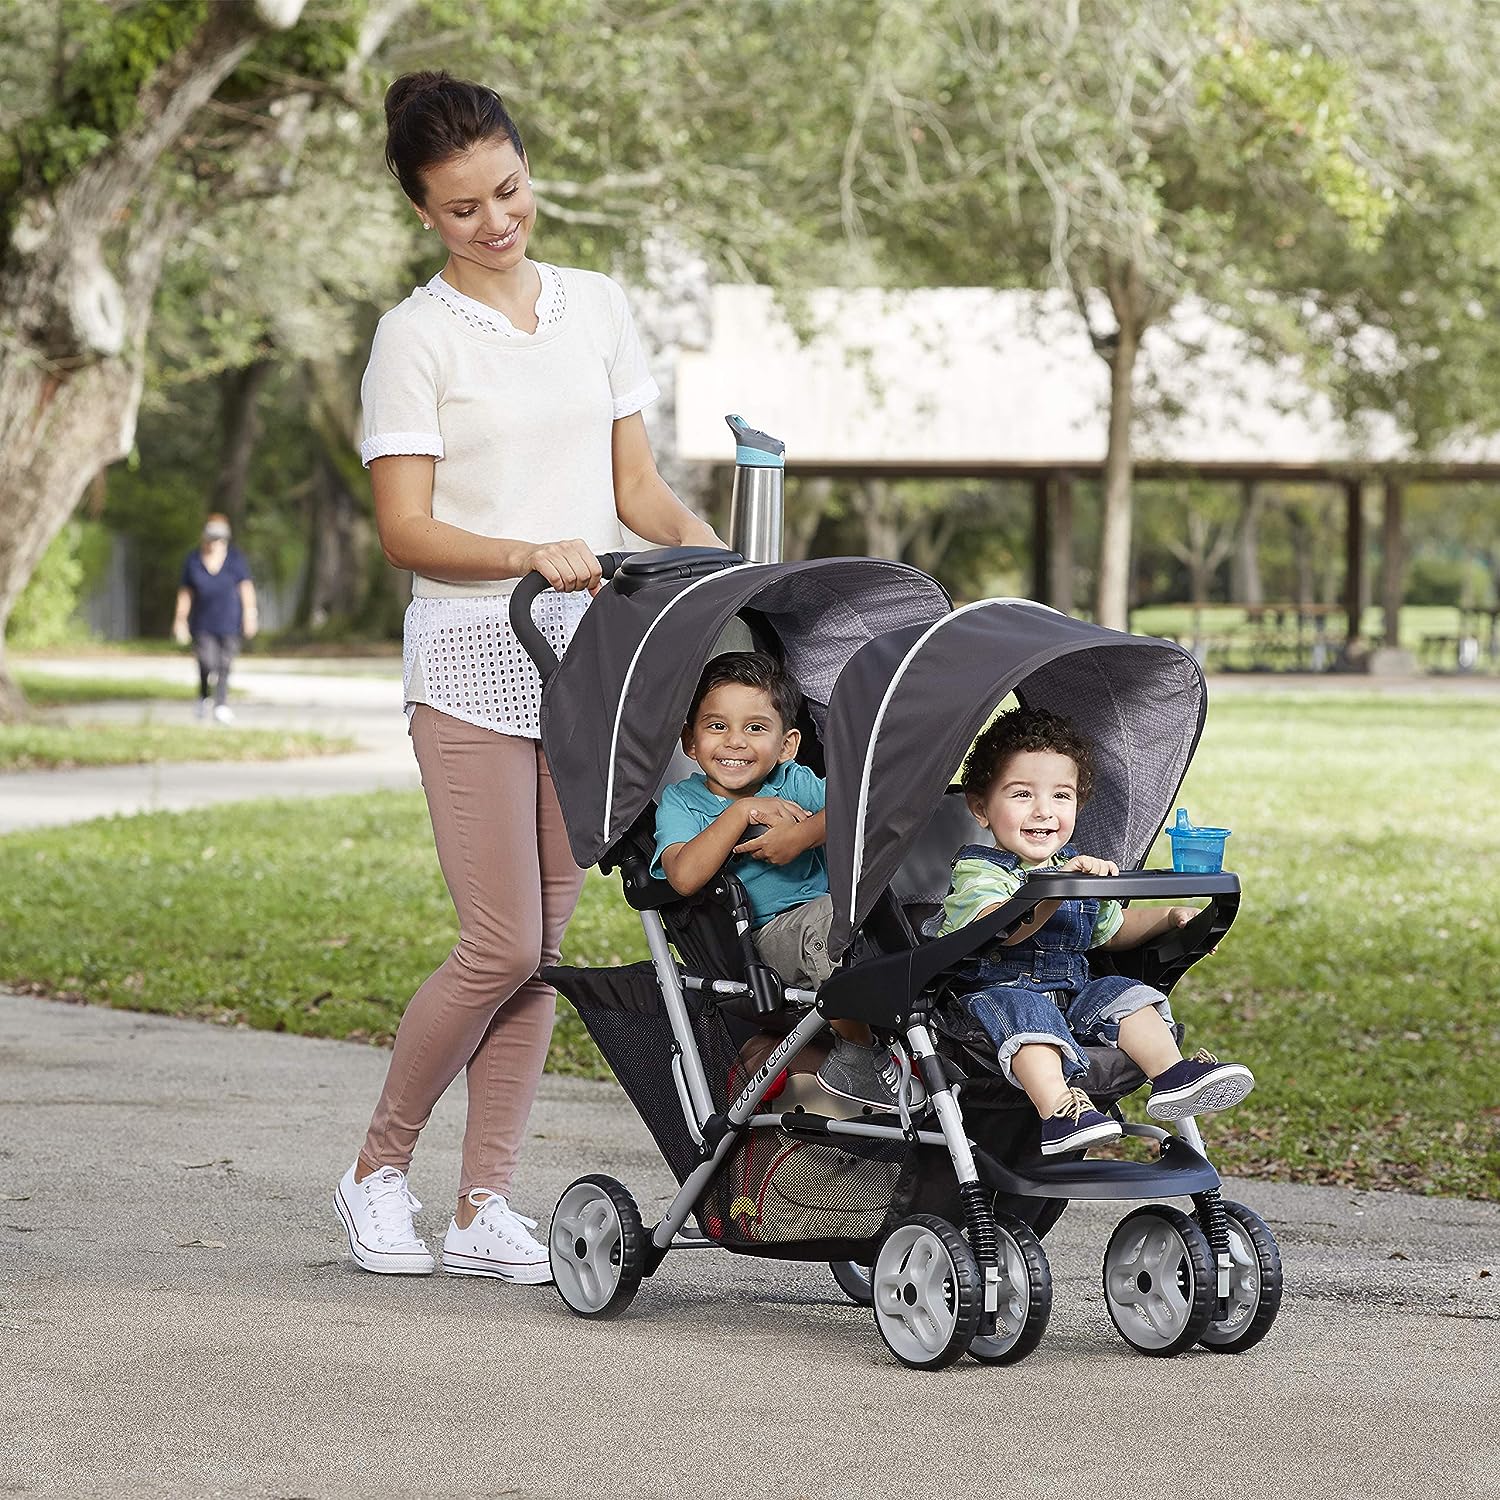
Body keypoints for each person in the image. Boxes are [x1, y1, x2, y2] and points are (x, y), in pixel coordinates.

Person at [333, 71, 723, 1283]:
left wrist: (725, 561)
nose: (495, 221)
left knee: (548, 943)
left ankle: (481, 1205)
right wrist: (528, 554)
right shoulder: (414, 338)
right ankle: (375, 1172)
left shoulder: (597, 306)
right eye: (462, 209)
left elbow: (635, 494)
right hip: (468, 655)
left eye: (507, 190)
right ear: (423, 213)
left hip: (582, 661)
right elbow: (406, 528)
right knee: (499, 941)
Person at [938, 706, 1254, 1156]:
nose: (1044, 811)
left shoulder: (1079, 870)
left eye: (1061, 796)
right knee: (1028, 1015)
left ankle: (1172, 1076)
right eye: (1022, 794)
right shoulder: (980, 871)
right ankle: (1061, 1114)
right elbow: (997, 928)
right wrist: (1055, 888)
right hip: (996, 1001)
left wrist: (1167, 918)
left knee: (1124, 993)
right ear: (980, 807)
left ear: (1078, 805)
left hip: (1073, 999)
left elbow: (1111, 930)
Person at [653, 652, 919, 1110]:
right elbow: (681, 875)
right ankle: (861, 1058)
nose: (735, 742)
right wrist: (741, 813)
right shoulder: (683, 803)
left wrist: (800, 836)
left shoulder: (794, 781)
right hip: (767, 941)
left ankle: (911, 1036)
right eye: (717, 726)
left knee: (871, 914)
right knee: (833, 922)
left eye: (755, 728)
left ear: (787, 744)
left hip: (841, 922)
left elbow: (865, 812)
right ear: (690, 742)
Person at [172, 514, 256, 723]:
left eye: (220, 539)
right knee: (206, 662)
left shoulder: (235, 560)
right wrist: (180, 619)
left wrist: (250, 613)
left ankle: (221, 704)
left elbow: (245, 587)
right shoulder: (193, 560)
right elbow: (186, 592)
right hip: (203, 621)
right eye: (212, 538)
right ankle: (203, 695)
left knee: (225, 663)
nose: (215, 543)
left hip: (229, 620)